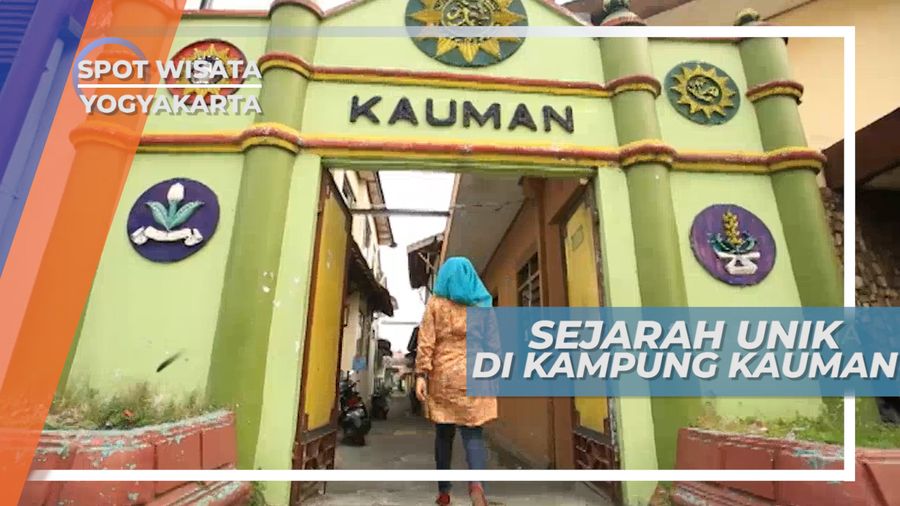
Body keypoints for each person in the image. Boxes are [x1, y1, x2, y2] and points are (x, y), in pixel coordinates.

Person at [415, 257, 496, 506]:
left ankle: (444, 492)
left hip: (444, 377)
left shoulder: (436, 304)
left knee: (444, 434)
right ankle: (476, 486)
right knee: (473, 434)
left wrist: (421, 374)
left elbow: (426, 340)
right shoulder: (482, 304)